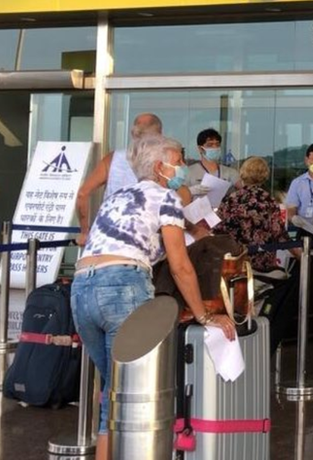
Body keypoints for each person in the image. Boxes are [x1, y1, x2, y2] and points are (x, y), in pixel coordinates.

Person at [72, 135, 236, 460]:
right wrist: (204, 314)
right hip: (123, 286)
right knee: (128, 394)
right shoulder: (166, 197)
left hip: (81, 287)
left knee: (114, 393)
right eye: (177, 160)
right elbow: (180, 266)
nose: (181, 167)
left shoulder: (118, 196)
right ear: (161, 167)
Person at [75, 113, 165, 246]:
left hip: (109, 233)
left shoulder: (113, 158)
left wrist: (84, 231)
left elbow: (83, 194)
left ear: (133, 133)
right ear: (159, 134)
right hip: (148, 235)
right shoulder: (164, 161)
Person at [215, 157, 295, 273]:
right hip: (262, 262)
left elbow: (218, 228)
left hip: (236, 260)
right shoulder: (268, 201)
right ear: (265, 175)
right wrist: (299, 255)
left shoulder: (230, 199)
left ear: (243, 173)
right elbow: (278, 233)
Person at [186, 128, 240, 199]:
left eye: (217, 144)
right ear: (200, 148)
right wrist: (190, 191)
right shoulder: (189, 172)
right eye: (210, 145)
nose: (214, 147)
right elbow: (179, 196)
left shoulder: (231, 173)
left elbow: (243, 189)